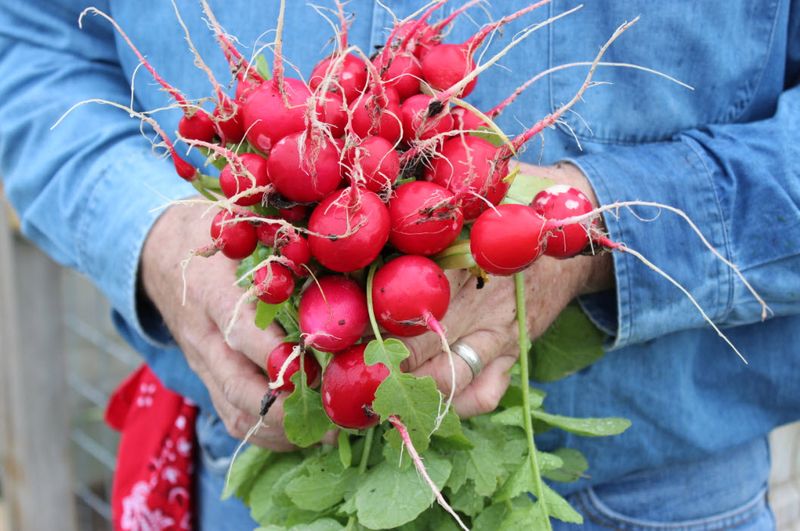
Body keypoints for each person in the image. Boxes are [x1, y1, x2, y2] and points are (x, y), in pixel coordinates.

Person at [1, 0, 798, 529]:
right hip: (254, 463)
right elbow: (33, 43)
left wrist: (596, 220)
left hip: (649, 494)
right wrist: (154, 234)